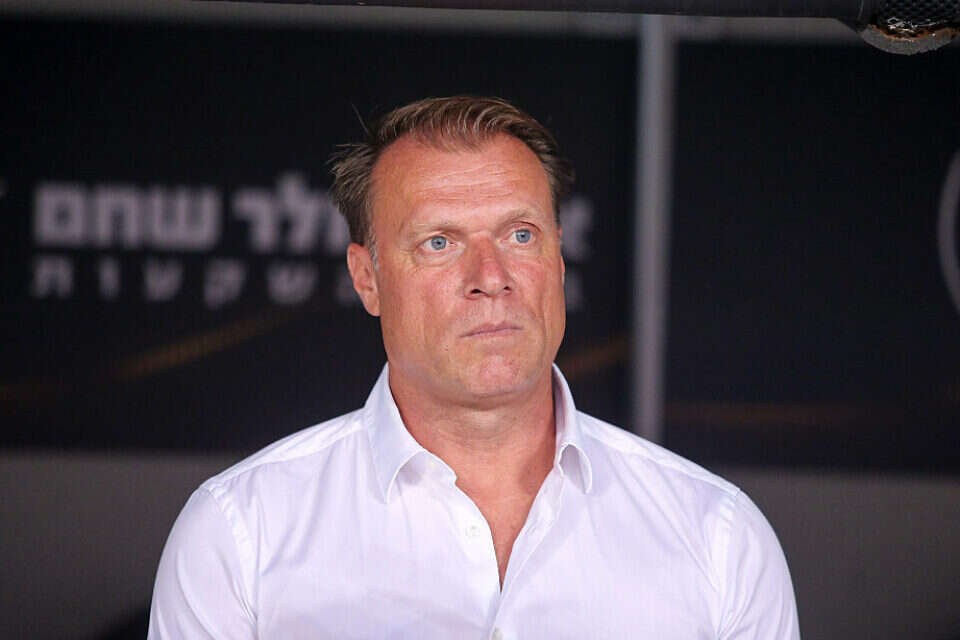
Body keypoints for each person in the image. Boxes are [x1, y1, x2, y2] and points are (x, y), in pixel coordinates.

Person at [148, 96, 800, 639]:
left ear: (558, 258)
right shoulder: (241, 534)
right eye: (439, 242)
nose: (491, 276)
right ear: (367, 277)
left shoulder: (718, 537)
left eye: (520, 235)